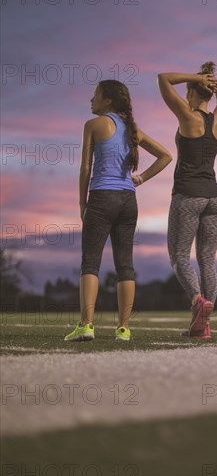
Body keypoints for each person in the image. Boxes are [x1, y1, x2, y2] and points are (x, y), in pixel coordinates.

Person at [65, 80, 172, 342]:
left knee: (90, 263)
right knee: (126, 266)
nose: (91, 100)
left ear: (108, 100)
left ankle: (87, 325)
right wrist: (141, 178)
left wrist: (82, 204)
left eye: (95, 95)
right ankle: (123, 329)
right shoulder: (132, 129)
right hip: (128, 200)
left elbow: (85, 170)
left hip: (101, 198)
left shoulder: (92, 125)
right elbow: (166, 155)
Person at [158, 62, 217, 339]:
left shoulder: (188, 117)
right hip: (215, 198)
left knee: (178, 257)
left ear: (190, 93)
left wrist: (197, 78)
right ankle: (203, 325)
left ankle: (197, 299)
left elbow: (163, 78)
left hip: (188, 196)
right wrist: (214, 84)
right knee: (207, 260)